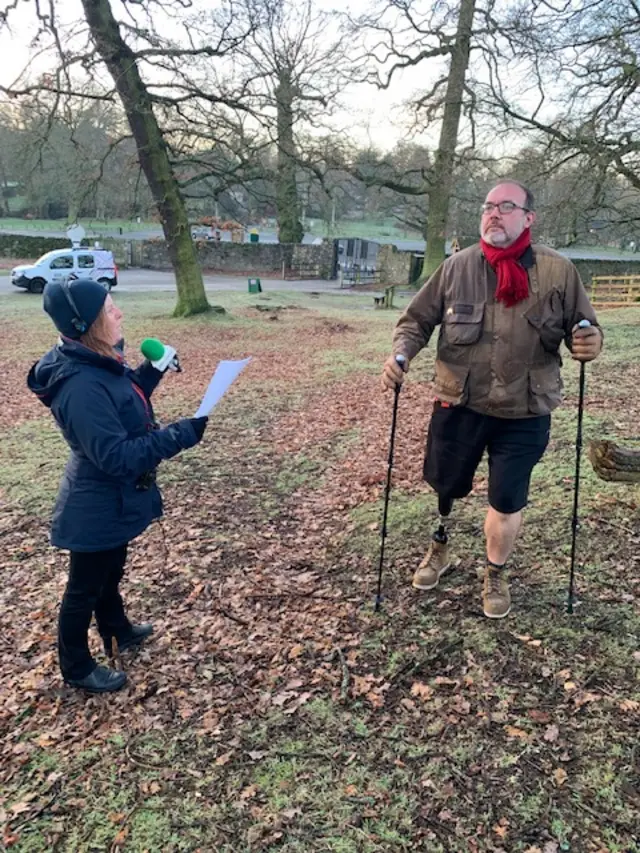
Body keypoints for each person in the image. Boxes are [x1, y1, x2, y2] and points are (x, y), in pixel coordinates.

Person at [381, 180, 603, 619]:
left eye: (506, 206)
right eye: (488, 206)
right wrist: (401, 354)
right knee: (446, 484)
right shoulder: (456, 268)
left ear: (528, 217)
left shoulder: (559, 273)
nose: (494, 214)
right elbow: (416, 321)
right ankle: (440, 544)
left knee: (507, 498)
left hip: (525, 411)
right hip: (460, 403)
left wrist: (590, 341)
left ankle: (495, 571)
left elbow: (586, 329)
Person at [28, 279, 209, 692]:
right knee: (83, 588)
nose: (119, 314)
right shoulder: (79, 385)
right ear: (88, 324)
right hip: (93, 504)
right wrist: (179, 434)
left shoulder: (96, 361)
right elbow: (117, 457)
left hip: (113, 501)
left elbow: (125, 399)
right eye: (110, 310)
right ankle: (76, 667)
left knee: (111, 572)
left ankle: (117, 630)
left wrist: (152, 371)